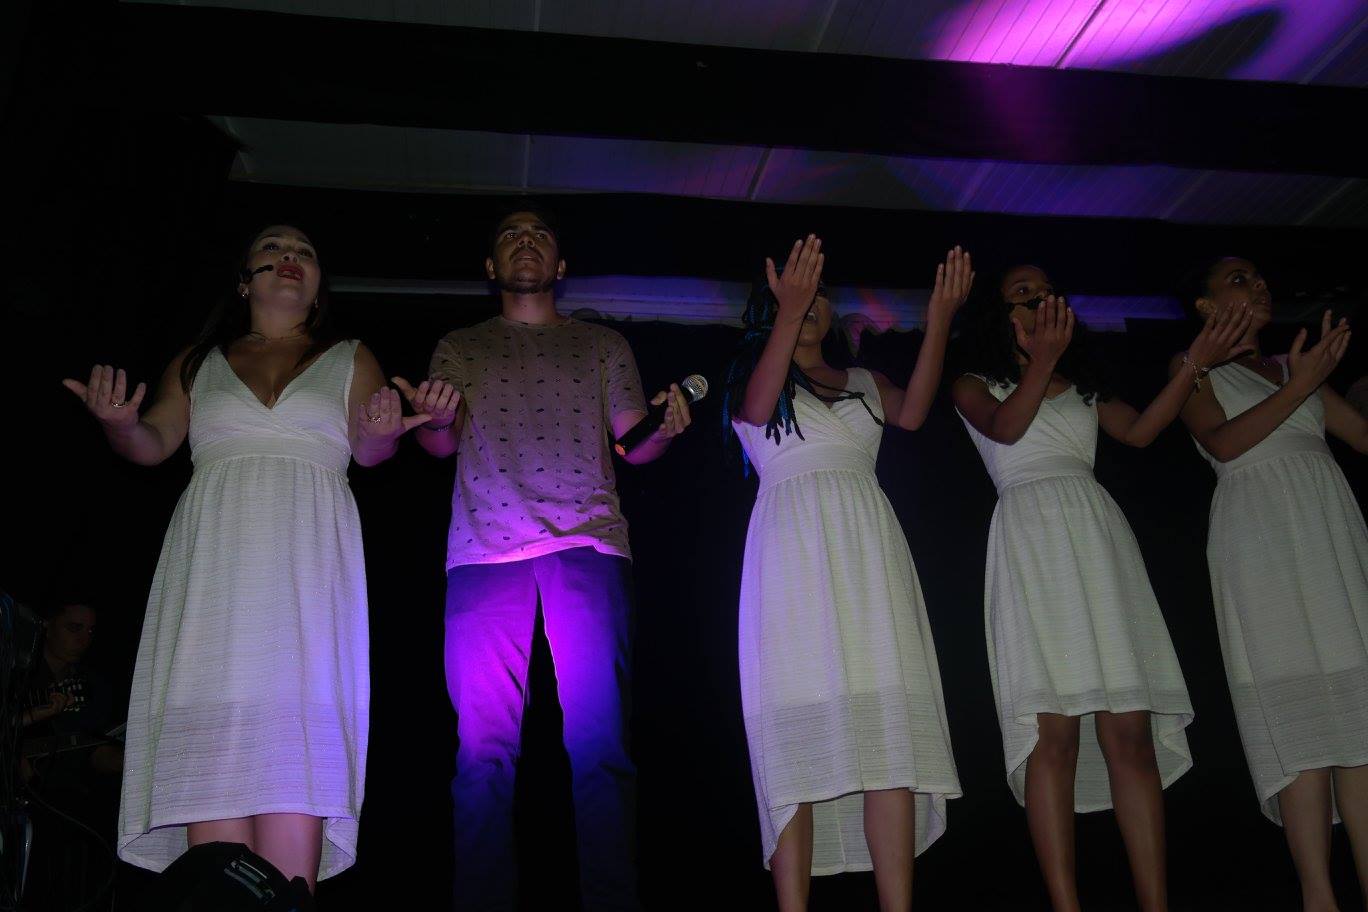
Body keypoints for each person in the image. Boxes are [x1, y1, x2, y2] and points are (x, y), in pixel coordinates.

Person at [62, 224, 423, 891]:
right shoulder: (198, 360)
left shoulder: (350, 355)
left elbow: (373, 450)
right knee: (212, 769)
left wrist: (381, 435)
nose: (290, 257)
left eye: (305, 252)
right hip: (217, 571)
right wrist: (120, 425)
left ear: (318, 284)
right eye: (273, 249)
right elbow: (152, 443)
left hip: (306, 571)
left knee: (295, 762)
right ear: (243, 280)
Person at [398, 206, 691, 911]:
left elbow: (634, 444)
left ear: (560, 266)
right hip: (483, 557)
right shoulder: (460, 345)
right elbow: (438, 444)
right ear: (490, 267)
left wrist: (666, 428)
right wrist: (436, 418)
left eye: (539, 234)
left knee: (600, 749)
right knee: (481, 757)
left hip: (587, 547)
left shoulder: (602, 344)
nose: (524, 241)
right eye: (508, 234)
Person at [951, 263, 1250, 912]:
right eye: (1022, 293)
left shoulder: (1083, 384)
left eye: (1045, 289)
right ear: (999, 314)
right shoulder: (974, 383)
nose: (1039, 298)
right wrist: (1041, 361)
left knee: (1129, 731)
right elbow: (1007, 428)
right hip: (1031, 539)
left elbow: (1140, 431)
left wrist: (1193, 364)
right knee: (1053, 735)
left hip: (1096, 535)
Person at [722, 237, 968, 910]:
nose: (809, 304)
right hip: (791, 559)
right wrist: (788, 310)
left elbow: (913, 412)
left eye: (817, 295)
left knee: (888, 727)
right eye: (794, 294)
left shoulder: (864, 381)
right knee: (794, 734)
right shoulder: (752, 375)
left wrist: (939, 317)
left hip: (868, 556)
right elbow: (755, 411)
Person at [1175, 256, 1368, 912]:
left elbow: (1361, 434)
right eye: (1237, 278)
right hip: (1260, 540)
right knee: (1299, 723)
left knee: (1358, 724)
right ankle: (1319, 897)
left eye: (1259, 276)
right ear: (1205, 306)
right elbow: (1223, 443)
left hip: (1330, 535)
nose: (1257, 284)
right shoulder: (1193, 368)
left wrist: (1322, 382)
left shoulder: (1294, 366)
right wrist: (1304, 383)